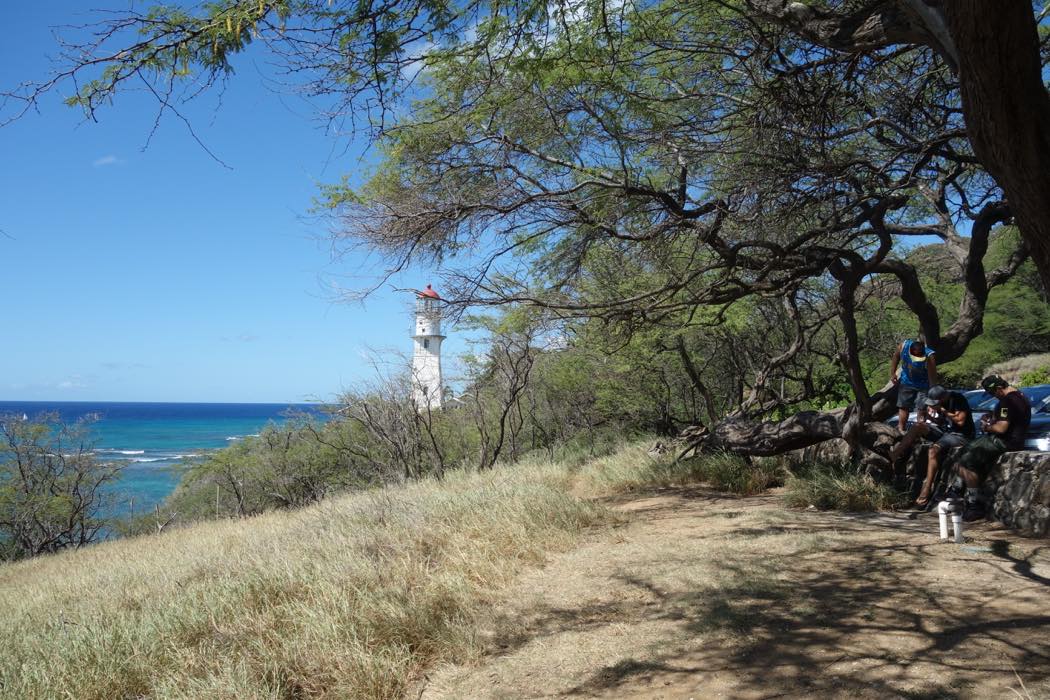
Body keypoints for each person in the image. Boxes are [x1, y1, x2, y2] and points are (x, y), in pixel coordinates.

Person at [949, 375, 1032, 521]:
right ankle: (956, 490)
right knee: (965, 449)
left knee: (967, 462)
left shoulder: (1007, 401)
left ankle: (973, 504)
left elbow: (1001, 428)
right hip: (1014, 441)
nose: (993, 396)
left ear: (999, 388)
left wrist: (986, 427)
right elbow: (1009, 419)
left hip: (1004, 442)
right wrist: (993, 417)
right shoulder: (1020, 396)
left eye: (992, 393)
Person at [888, 385, 975, 507]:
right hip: (946, 432)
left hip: (961, 435)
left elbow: (960, 421)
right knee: (917, 427)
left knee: (933, 450)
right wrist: (929, 418)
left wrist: (943, 410)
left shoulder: (958, 399)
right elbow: (942, 422)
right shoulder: (940, 403)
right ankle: (894, 455)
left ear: (943, 397)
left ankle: (927, 488)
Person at [889, 337, 938, 432]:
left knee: (921, 408)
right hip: (906, 382)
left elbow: (932, 377)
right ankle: (901, 430)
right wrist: (893, 373)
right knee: (903, 407)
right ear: (910, 352)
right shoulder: (903, 346)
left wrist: (932, 395)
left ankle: (919, 431)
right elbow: (895, 357)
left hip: (923, 385)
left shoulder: (929, 356)